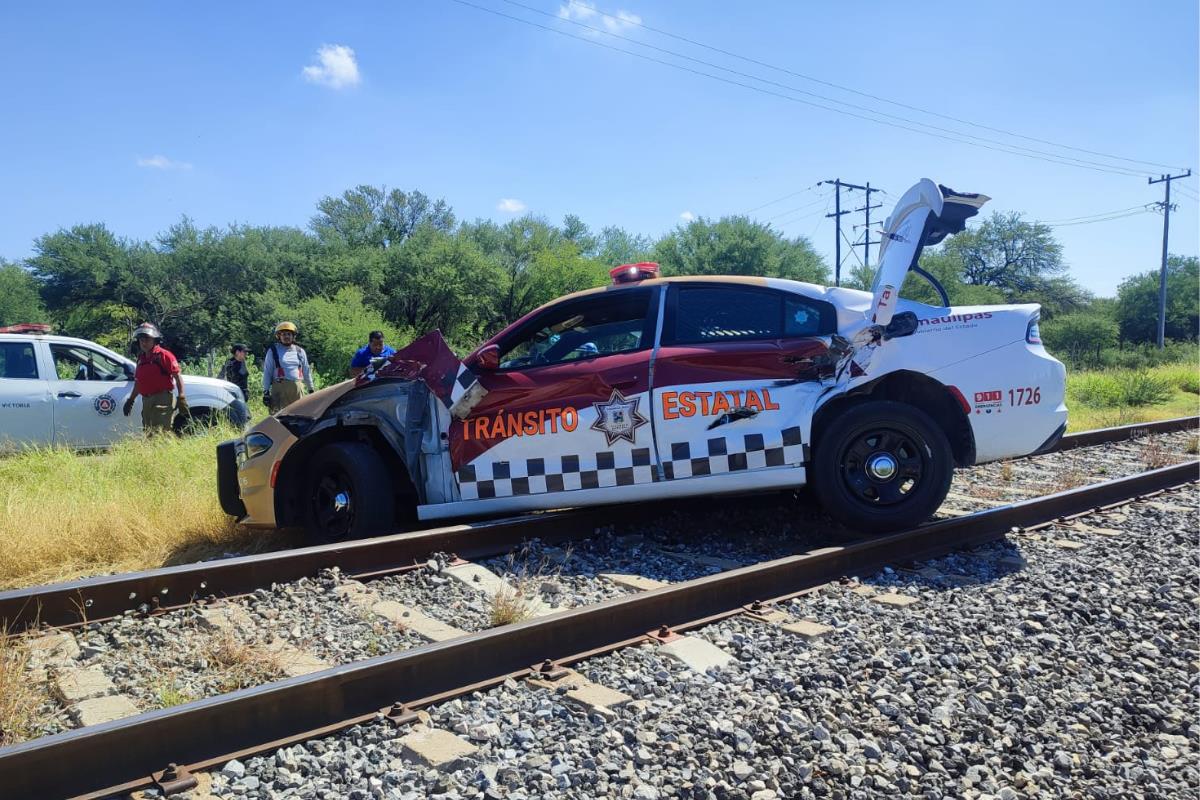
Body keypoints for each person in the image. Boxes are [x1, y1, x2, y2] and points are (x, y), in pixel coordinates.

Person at [122, 322, 187, 434]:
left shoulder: (164, 355)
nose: (143, 342)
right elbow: (139, 382)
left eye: (147, 339)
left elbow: (177, 376)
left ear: (154, 340)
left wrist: (181, 396)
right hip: (146, 400)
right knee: (149, 433)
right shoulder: (141, 358)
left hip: (162, 399)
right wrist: (131, 400)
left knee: (161, 433)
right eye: (141, 339)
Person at [262, 321, 314, 412]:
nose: (286, 336)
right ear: (279, 336)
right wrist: (266, 391)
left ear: (293, 336)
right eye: (283, 334)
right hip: (279, 388)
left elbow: (306, 371)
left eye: (289, 334)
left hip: (297, 389)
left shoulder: (300, 351)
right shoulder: (273, 350)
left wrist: (311, 389)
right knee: (278, 417)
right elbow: (267, 372)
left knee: (299, 416)